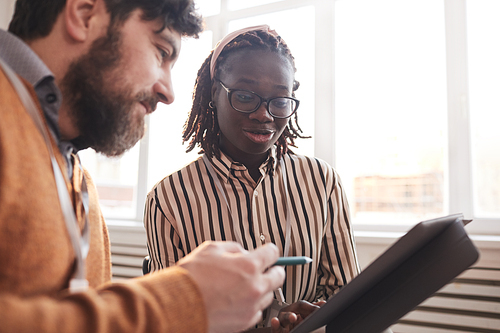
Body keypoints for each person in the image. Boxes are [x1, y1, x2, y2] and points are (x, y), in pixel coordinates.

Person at [0, 1, 286, 332]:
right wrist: (180, 303)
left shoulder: (80, 183)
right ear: (84, 14)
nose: (168, 92)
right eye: (161, 51)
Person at [144, 25, 360, 332]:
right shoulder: (169, 199)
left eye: (280, 100)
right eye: (245, 96)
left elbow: (348, 294)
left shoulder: (322, 182)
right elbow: (170, 319)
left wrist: (316, 318)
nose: (264, 115)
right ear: (214, 94)